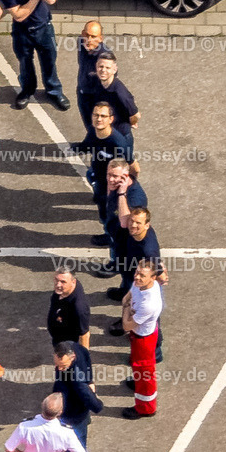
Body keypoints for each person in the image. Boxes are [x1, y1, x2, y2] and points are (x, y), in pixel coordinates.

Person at [0, 0, 69, 111]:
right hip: (22, 32)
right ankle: (27, 90)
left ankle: (54, 91)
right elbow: (18, 15)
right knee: (25, 64)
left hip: (44, 28)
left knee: (49, 62)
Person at [108, 206, 166, 364]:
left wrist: (157, 277)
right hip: (132, 273)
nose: (133, 225)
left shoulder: (148, 251)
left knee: (151, 316)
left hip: (140, 280)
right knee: (128, 289)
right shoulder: (134, 233)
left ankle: (156, 351)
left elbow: (158, 271)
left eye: (138, 223)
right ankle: (125, 301)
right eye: (132, 221)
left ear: (147, 225)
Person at [70, 102, 132, 233]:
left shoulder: (118, 144)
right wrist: (79, 148)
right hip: (97, 173)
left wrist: (123, 187)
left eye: (103, 116)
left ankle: (108, 231)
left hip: (110, 182)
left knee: (106, 209)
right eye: (96, 115)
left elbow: (132, 166)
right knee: (91, 179)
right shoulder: (93, 131)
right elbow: (87, 145)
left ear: (111, 119)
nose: (99, 119)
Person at [4, 393, 87, 452]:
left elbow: (9, 449)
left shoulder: (24, 426)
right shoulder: (66, 432)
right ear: (60, 412)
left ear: (42, 406)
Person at [121, 259, 163, 419]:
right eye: (137, 272)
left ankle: (146, 408)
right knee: (137, 368)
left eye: (142, 275)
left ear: (153, 278)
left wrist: (126, 307)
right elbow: (130, 294)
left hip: (144, 340)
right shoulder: (141, 284)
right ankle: (137, 383)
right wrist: (127, 303)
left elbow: (126, 325)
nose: (137, 277)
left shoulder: (149, 304)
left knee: (145, 374)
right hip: (139, 335)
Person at [52, 341, 103, 449]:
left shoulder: (77, 379)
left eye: (63, 366)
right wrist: (90, 381)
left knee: (78, 442)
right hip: (81, 409)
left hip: (73, 415)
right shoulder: (76, 347)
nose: (59, 369)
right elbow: (88, 362)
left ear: (72, 357)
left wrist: (97, 402)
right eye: (57, 365)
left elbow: (92, 401)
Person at [91, 158, 147, 252]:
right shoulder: (116, 183)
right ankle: (109, 237)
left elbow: (125, 223)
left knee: (118, 256)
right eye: (109, 174)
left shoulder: (135, 199)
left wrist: (121, 194)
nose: (110, 179)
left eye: (115, 176)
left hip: (125, 240)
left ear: (125, 177)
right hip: (114, 229)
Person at [93, 51, 140, 147]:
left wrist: (131, 122)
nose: (103, 70)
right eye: (101, 66)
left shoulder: (120, 93)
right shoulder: (98, 82)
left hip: (121, 136)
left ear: (114, 70)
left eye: (108, 68)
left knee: (122, 157)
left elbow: (136, 115)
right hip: (106, 133)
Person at [76, 21, 109, 134]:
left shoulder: (105, 58)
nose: (89, 40)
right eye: (86, 35)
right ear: (82, 34)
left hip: (96, 98)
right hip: (82, 92)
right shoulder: (80, 42)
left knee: (99, 127)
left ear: (100, 39)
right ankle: (90, 139)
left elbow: (109, 84)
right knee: (88, 124)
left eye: (93, 37)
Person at [47, 265, 90, 348]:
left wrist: (83, 355)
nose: (58, 285)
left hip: (68, 343)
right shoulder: (63, 290)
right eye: (56, 280)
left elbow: (84, 335)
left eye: (63, 282)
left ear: (73, 282)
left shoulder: (79, 308)